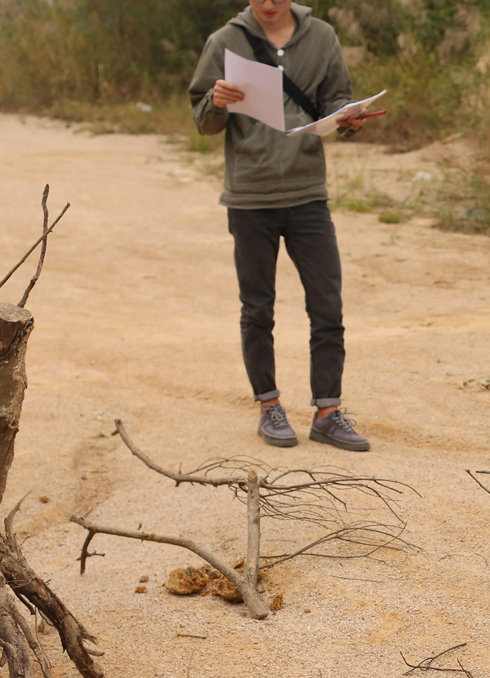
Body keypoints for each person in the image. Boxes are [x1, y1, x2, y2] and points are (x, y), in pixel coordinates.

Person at [189, 0, 372, 452]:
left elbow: (335, 104)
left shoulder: (323, 37)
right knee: (257, 309)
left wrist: (349, 119)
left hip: (309, 193)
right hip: (250, 196)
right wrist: (216, 102)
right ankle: (268, 406)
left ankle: (328, 413)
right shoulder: (225, 41)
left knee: (328, 306)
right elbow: (202, 121)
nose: (268, 4)